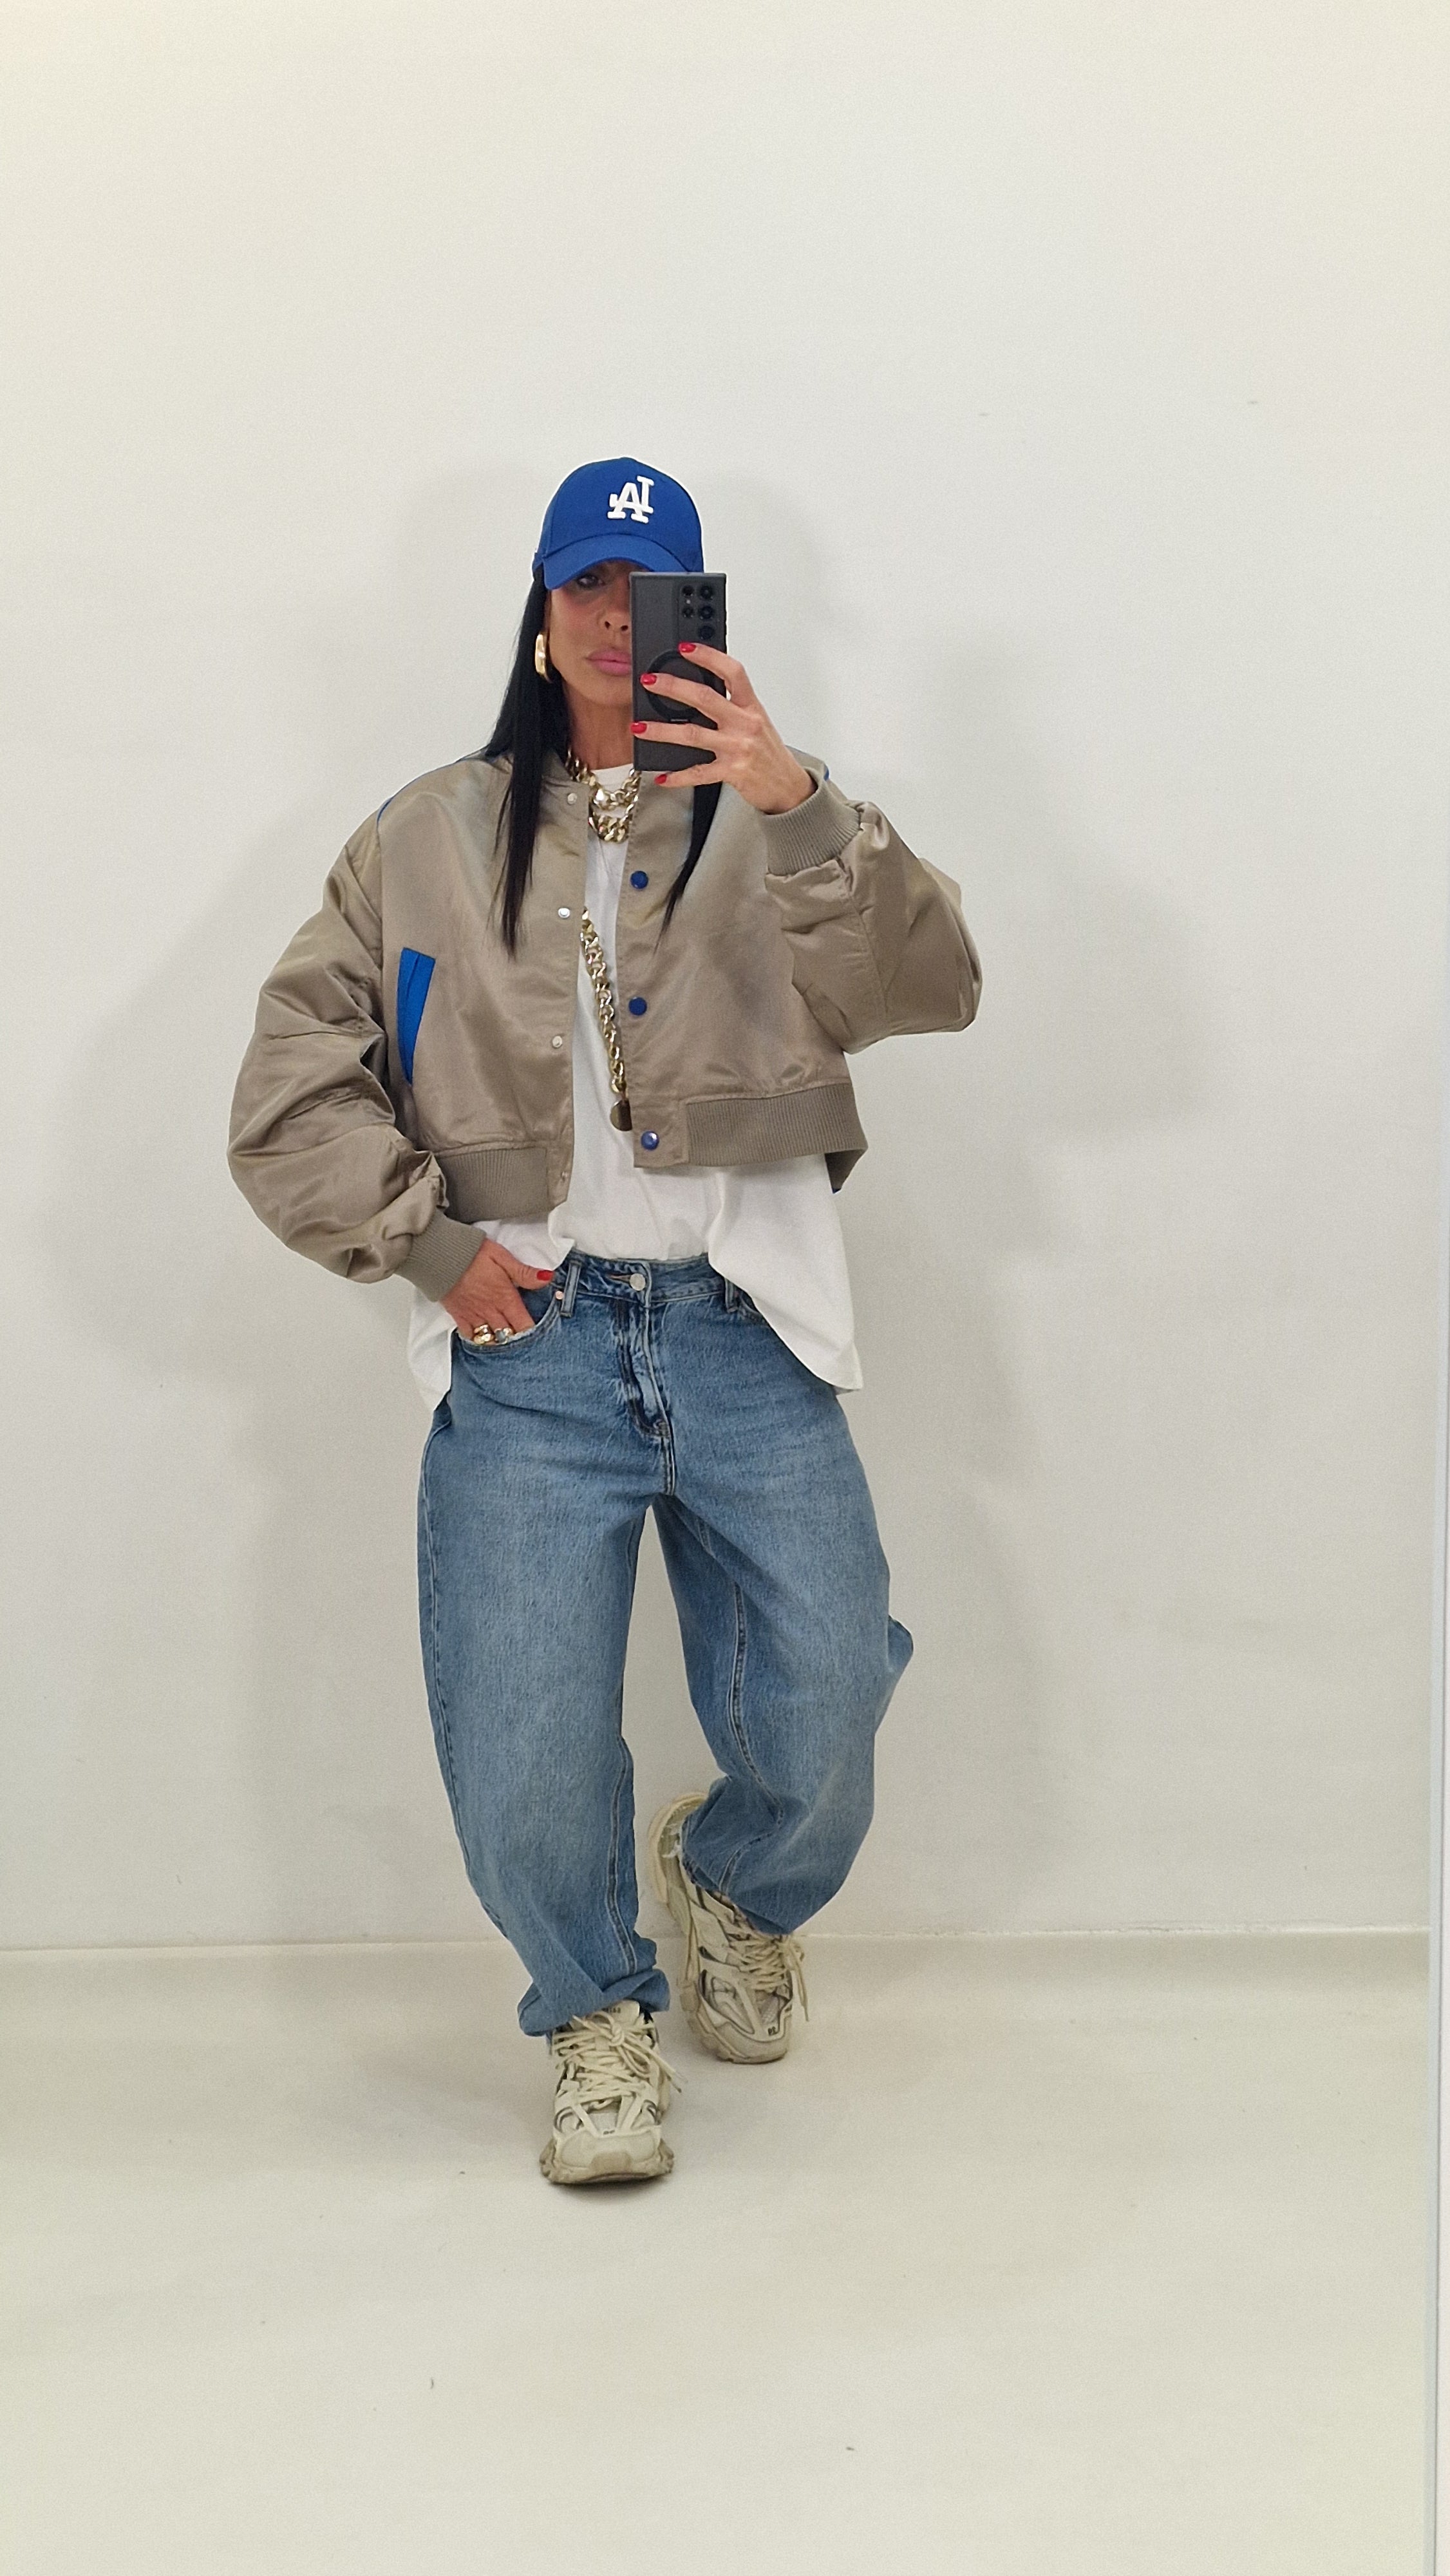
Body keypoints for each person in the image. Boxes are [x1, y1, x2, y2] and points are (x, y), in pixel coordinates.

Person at [228, 457, 981, 2186]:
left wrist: (798, 804)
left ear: (695, 615)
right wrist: (431, 1249)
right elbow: (290, 1085)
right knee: (524, 1735)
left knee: (829, 1688)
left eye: (649, 590)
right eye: (584, 584)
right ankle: (592, 2013)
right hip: (529, 1348)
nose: (612, 620)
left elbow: (932, 989)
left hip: (744, 1326)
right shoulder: (426, 837)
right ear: (541, 609)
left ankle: (733, 1885)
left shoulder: (776, 815)